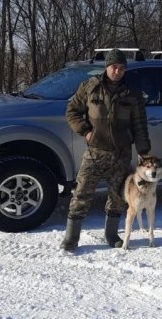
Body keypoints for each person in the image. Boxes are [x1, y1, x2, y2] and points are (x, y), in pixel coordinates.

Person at [60, 48, 151, 251]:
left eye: (121, 68)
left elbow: (139, 125)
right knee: (82, 193)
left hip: (121, 153)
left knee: (117, 196)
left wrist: (144, 152)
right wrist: (86, 131)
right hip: (95, 152)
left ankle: (111, 234)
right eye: (113, 67)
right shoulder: (89, 87)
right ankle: (71, 238)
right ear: (107, 67)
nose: (117, 71)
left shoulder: (132, 94)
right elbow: (72, 111)